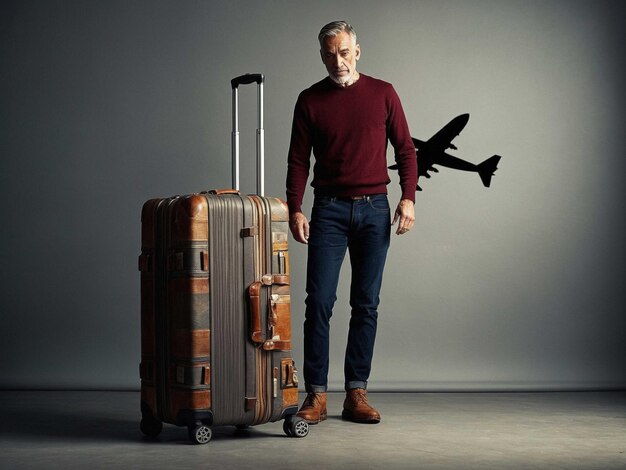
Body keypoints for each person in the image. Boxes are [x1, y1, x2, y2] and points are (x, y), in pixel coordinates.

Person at [286, 20, 417, 424]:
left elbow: (407, 150)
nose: (337, 61)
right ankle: (317, 395)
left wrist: (408, 198)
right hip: (328, 210)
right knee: (319, 303)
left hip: (375, 208)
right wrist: (295, 207)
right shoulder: (309, 100)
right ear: (321, 54)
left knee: (366, 304)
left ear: (357, 51)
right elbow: (297, 161)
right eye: (329, 54)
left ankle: (356, 391)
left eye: (344, 52)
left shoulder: (383, 93)